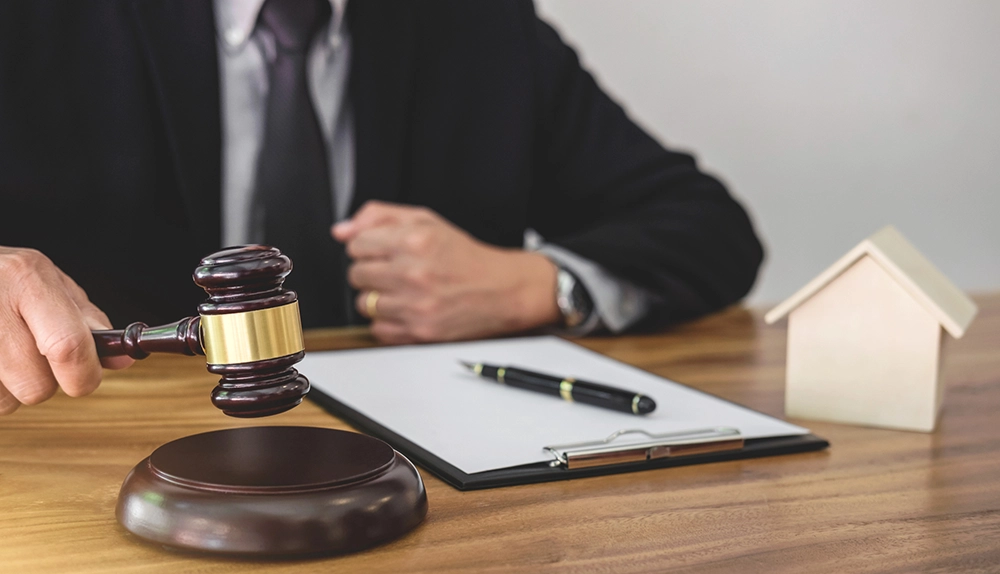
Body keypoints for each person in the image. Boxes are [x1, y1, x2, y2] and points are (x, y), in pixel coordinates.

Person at [0, 0, 764, 415]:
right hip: (96, 449)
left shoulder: (481, 26)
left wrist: (531, 284)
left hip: (429, 478)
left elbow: (710, 228)